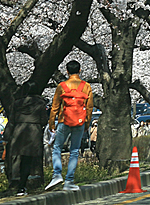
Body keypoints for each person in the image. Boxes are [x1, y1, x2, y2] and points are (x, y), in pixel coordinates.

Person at [46, 60, 94, 192]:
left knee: (57, 148)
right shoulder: (86, 86)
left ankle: (56, 175)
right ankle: (69, 181)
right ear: (80, 70)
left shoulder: (62, 86)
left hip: (64, 121)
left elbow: (54, 107)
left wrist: (52, 123)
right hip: (79, 122)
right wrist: (87, 124)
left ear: (67, 71)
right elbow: (89, 108)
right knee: (74, 151)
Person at [6, 80, 49, 196]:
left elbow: (11, 120)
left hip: (18, 131)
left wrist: (7, 135)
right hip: (33, 132)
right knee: (28, 160)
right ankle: (22, 186)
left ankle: (15, 182)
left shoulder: (17, 103)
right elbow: (44, 120)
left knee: (17, 158)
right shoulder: (40, 103)